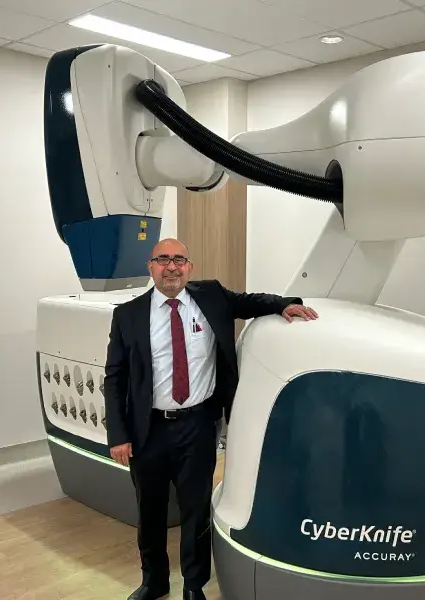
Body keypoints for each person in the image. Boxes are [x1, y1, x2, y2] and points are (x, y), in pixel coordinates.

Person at [104, 238, 318, 600]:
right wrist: (118, 434)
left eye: (179, 260)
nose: (172, 267)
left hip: (198, 426)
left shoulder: (212, 296)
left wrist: (285, 304)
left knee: (196, 509)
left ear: (190, 266)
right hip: (147, 431)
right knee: (150, 510)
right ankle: (154, 581)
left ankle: (193, 585)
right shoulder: (128, 315)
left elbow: (251, 302)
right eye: (163, 260)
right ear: (151, 267)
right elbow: (115, 378)